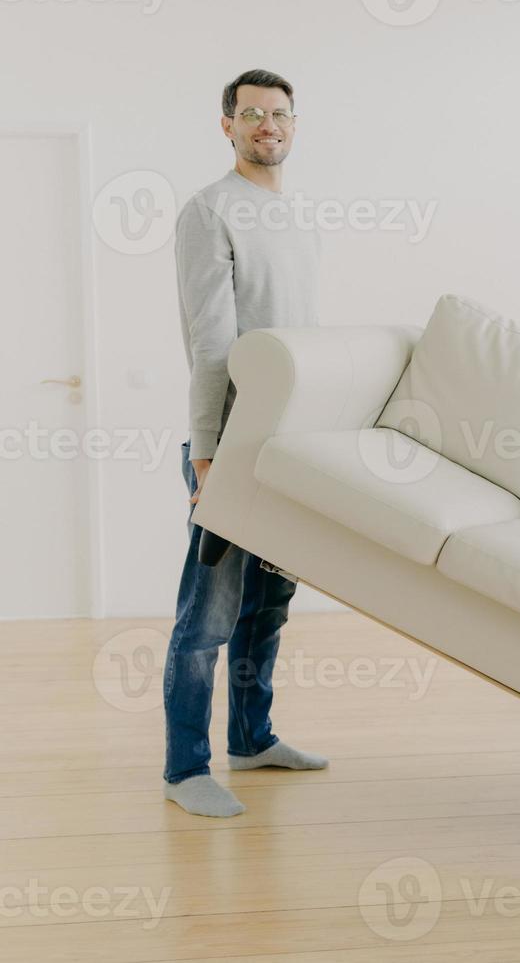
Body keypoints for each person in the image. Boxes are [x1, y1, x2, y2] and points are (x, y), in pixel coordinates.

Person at [164, 69, 327, 817]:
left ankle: (253, 738)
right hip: (229, 447)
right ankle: (185, 768)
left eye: (280, 114)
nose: (269, 124)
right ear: (226, 124)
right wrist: (205, 456)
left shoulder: (292, 214)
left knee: (268, 605)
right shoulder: (210, 211)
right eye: (253, 113)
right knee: (208, 616)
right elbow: (211, 343)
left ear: (295, 125)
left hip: (285, 444)